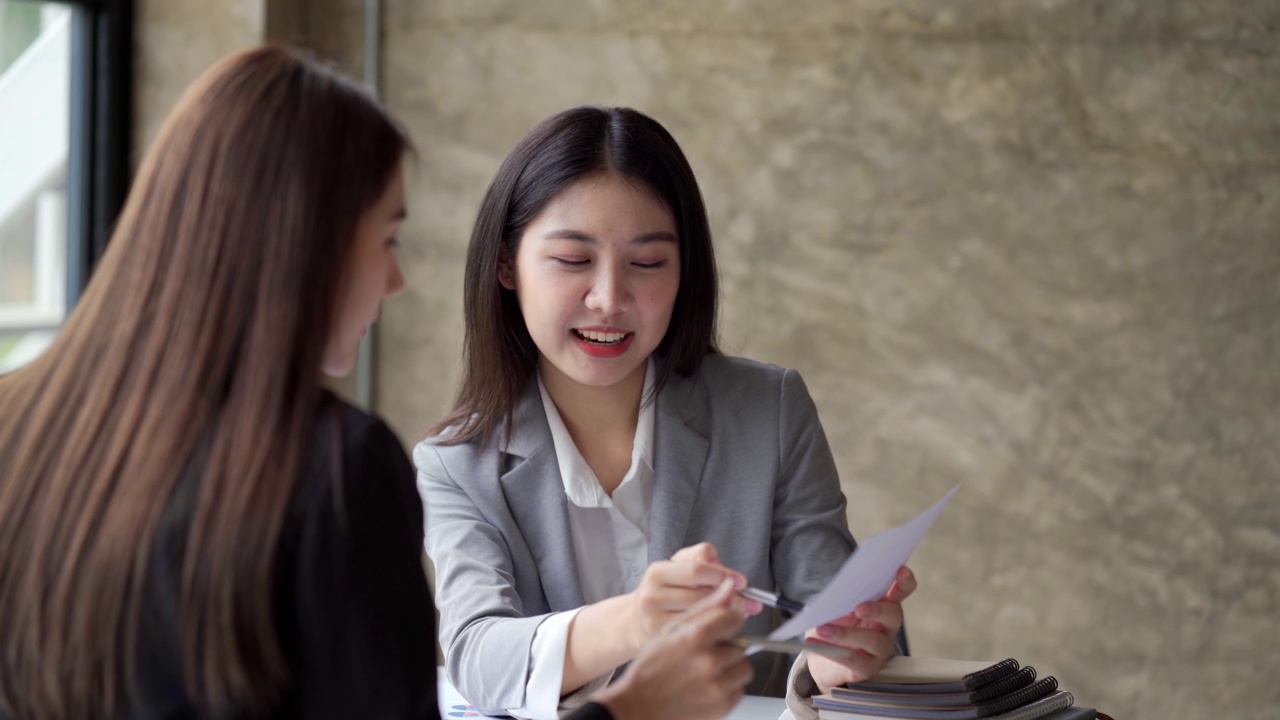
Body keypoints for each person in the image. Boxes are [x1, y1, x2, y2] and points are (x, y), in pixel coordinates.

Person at [0, 48, 751, 720]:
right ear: (304, 242)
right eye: (387, 239)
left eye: (647, 262)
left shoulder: (18, 425)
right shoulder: (335, 469)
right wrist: (634, 711)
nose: (395, 281)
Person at [417, 104, 918, 720]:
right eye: (573, 260)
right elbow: (478, 655)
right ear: (505, 265)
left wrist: (841, 660)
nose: (608, 298)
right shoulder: (455, 464)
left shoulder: (769, 411)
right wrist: (638, 617)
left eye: (648, 263)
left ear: (686, 272)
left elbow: (833, 625)